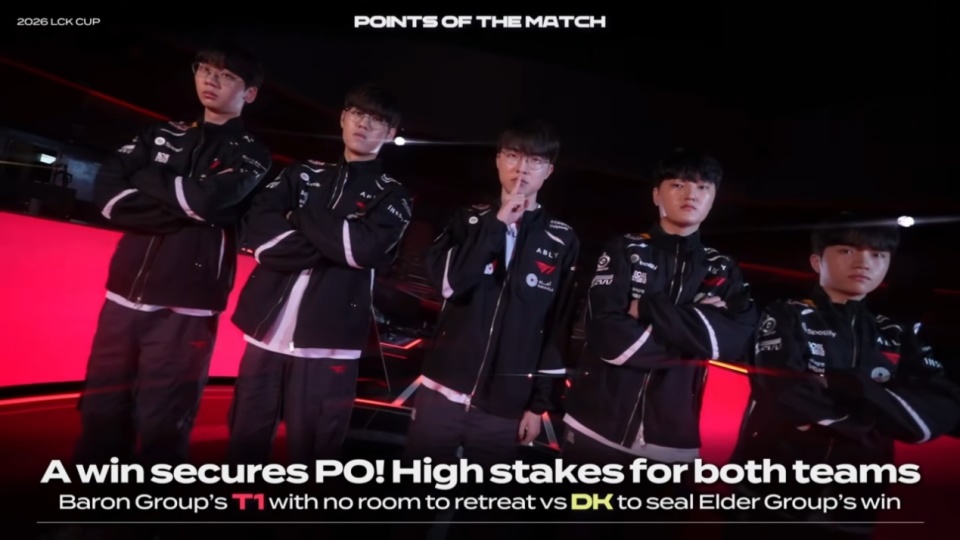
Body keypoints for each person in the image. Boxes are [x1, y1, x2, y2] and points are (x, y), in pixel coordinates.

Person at [77, 41, 271, 468]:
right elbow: (107, 191)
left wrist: (148, 178)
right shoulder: (161, 133)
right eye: (204, 69)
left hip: (187, 306)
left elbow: (206, 202)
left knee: (163, 424)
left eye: (226, 75)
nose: (211, 80)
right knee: (100, 411)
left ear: (250, 93)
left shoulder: (252, 154)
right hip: (122, 296)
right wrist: (183, 208)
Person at [724, 214, 960, 539]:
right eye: (847, 251)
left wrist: (852, 385)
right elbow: (783, 390)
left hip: (854, 498)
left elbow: (944, 407)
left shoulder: (896, 333)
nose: (864, 262)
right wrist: (875, 417)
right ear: (816, 261)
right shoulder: (787, 314)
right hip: (770, 490)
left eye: (877, 254)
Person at [560, 148, 757, 534]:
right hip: (595, 431)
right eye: (678, 184)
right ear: (656, 194)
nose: (691, 194)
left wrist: (648, 308)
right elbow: (610, 339)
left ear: (713, 197)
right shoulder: (624, 249)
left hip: (672, 446)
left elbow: (727, 344)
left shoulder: (723, 269)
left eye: (703, 187)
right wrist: (692, 329)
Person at [226, 83, 412, 465]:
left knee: (315, 455)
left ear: (391, 133)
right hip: (266, 334)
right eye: (357, 113)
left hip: (331, 343)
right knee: (244, 443)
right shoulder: (302, 172)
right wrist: (331, 241)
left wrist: (298, 216)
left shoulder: (393, 195)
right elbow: (257, 230)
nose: (363, 124)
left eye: (376, 120)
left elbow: (363, 251)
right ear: (343, 118)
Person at [404, 117, 579, 469]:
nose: (522, 168)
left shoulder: (562, 240)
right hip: (441, 393)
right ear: (498, 160)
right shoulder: (467, 221)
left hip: (505, 409)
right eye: (513, 155)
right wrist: (496, 226)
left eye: (535, 160)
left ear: (549, 171)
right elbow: (449, 284)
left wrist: (538, 406)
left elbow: (556, 327)